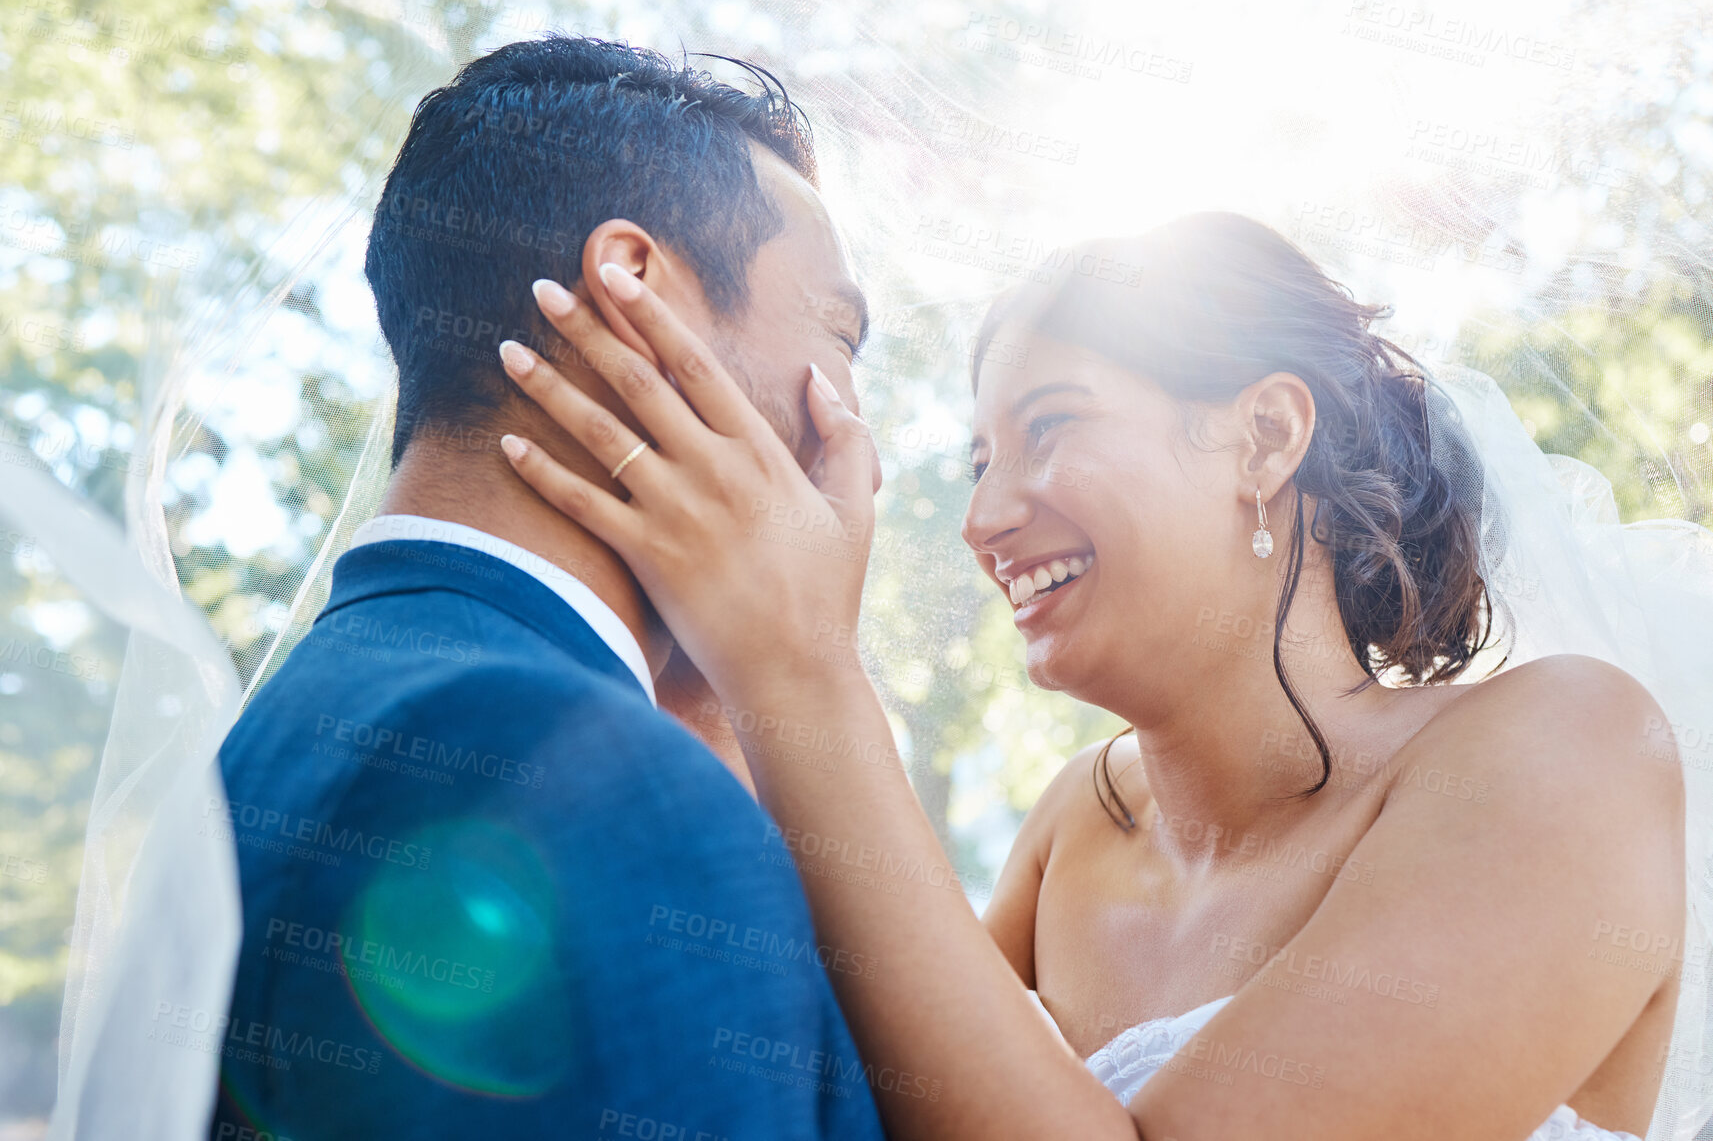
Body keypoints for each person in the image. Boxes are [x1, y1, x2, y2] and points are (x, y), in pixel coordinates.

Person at [496, 210, 1711, 1140]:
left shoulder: (1566, 749)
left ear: (1265, 438)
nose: (982, 517)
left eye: (1050, 428)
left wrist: (802, 674)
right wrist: (714, 697)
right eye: (978, 459)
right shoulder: (1078, 824)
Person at [205, 35, 883, 1140]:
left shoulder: (287, 721)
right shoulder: (602, 783)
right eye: (844, 336)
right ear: (634, 291)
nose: (853, 420)